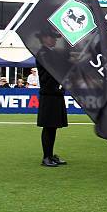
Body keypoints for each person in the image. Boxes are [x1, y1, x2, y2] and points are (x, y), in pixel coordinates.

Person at [35, 28, 68, 167]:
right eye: (52, 37)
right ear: (44, 38)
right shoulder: (43, 54)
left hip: (54, 93)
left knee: (53, 127)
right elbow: (51, 72)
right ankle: (46, 156)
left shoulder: (50, 53)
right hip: (49, 94)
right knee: (49, 127)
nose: (54, 40)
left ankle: (50, 154)